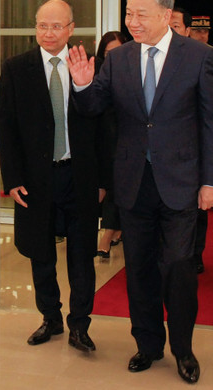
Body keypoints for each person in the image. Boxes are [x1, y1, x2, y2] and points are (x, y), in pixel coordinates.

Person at [67, 0, 213, 383]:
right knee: (138, 269)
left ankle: (183, 348)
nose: (131, 22)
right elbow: (92, 107)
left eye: (140, 14)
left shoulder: (198, 56)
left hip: (182, 181)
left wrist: (212, 181)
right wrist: (83, 83)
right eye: (128, 13)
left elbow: (211, 123)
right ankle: (148, 344)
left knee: (177, 266)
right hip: (134, 181)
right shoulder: (120, 60)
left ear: (166, 16)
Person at [0, 0, 104, 354]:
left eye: (57, 26)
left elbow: (104, 125)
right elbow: (6, 126)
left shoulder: (90, 66)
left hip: (80, 176)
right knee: (41, 253)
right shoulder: (16, 68)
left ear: (71, 29)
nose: (48, 33)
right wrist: (11, 179)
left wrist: (104, 179)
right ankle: (50, 318)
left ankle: (80, 325)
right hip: (36, 179)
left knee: (81, 257)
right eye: (43, 26)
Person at [171, 7, 213, 274]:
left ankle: (196, 253)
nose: (201, 35)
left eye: (204, 31)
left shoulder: (210, 54)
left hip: (198, 134)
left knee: (198, 206)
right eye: (198, 30)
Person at [95, 30, 126, 259]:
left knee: (117, 187)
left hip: (125, 142)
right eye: (108, 53)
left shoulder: (132, 73)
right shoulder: (96, 74)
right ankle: (114, 230)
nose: (112, 58)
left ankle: (107, 235)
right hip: (101, 141)